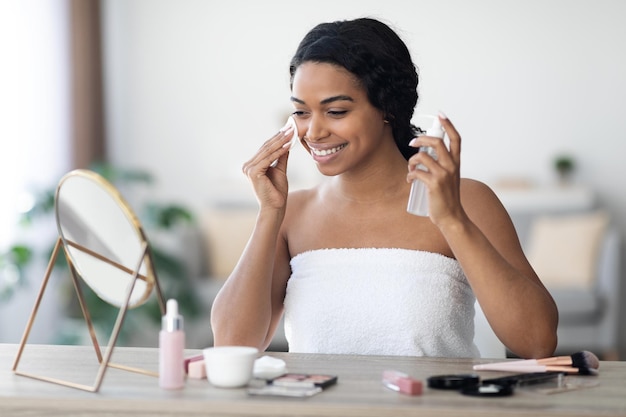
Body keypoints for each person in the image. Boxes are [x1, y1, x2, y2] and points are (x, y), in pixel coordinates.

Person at [211, 17, 558, 358]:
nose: (313, 133)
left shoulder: (466, 201)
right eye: (302, 113)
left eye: (335, 111)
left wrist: (452, 219)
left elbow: (537, 341)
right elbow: (231, 345)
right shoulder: (292, 213)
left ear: (387, 109)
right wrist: (269, 214)